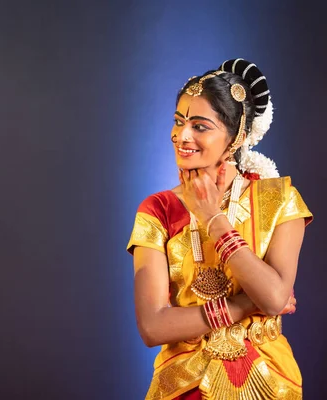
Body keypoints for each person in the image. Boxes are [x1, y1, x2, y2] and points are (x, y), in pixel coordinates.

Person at [127, 59, 312, 399]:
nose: (182, 136)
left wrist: (214, 219)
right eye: (179, 122)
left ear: (237, 137)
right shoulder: (157, 210)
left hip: (270, 380)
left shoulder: (280, 200)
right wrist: (247, 305)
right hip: (184, 385)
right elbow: (153, 327)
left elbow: (275, 297)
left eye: (200, 126)